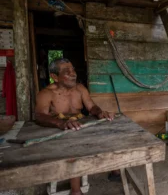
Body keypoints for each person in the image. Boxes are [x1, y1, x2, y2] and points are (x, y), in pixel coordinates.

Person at [35, 58, 114, 195]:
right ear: (54, 77)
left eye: (73, 70)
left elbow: (91, 107)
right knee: (72, 152)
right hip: (60, 131)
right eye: (67, 72)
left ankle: (116, 170)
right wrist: (61, 123)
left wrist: (100, 112)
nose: (73, 74)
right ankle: (76, 191)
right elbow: (40, 116)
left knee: (109, 136)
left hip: (79, 126)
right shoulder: (46, 93)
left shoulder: (80, 89)